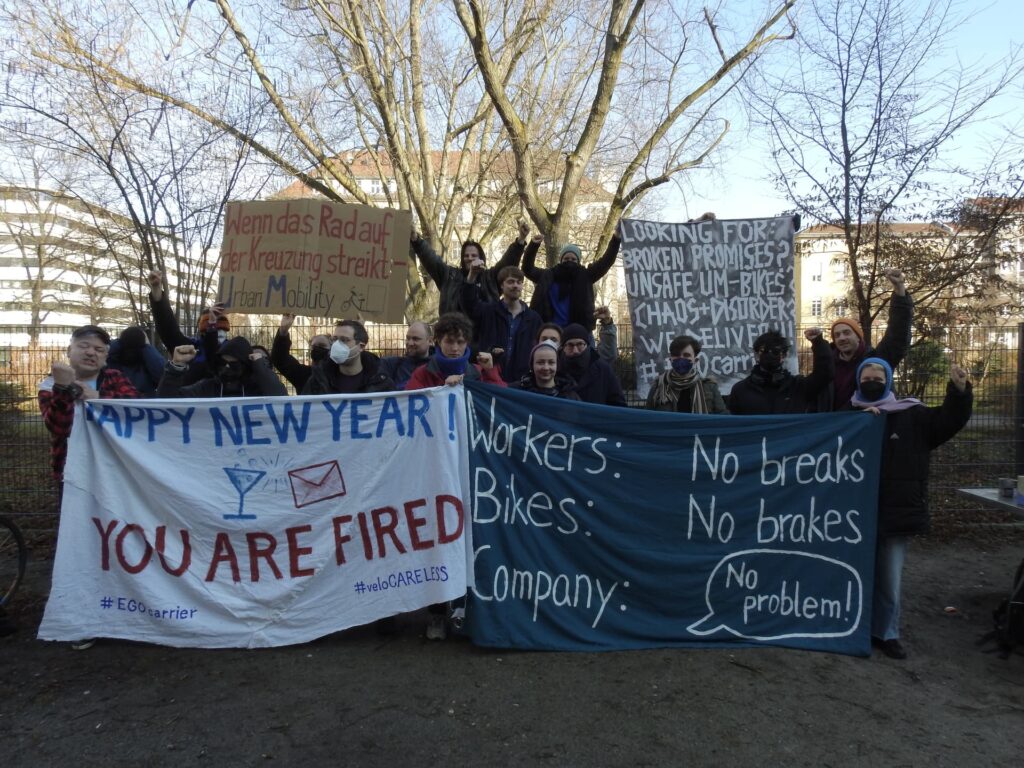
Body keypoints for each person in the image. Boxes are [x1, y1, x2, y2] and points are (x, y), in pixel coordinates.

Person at [850, 357, 972, 659]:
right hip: (853, 513)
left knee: (889, 579)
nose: (872, 380)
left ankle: (886, 632)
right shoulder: (846, 415)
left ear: (889, 380)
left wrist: (958, 392)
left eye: (878, 375)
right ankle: (854, 628)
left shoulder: (913, 415)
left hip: (896, 510)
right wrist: (859, 423)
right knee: (854, 574)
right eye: (866, 376)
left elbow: (948, 421)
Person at [38, 325, 139, 483]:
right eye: (84, 346)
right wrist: (62, 388)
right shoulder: (50, 385)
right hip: (72, 472)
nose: (91, 353)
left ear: (106, 358)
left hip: (117, 468)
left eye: (99, 349)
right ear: (69, 350)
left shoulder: (115, 378)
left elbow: (136, 409)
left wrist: (99, 397)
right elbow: (59, 427)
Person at [828, 268, 913, 410]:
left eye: (847, 332)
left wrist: (899, 290)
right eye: (837, 335)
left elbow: (898, 333)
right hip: (836, 427)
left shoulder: (876, 359)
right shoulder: (828, 366)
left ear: (858, 336)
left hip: (869, 424)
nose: (842, 338)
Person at [409, 220, 529, 317]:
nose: (470, 258)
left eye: (473, 255)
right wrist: (416, 239)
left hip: (483, 339)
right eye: (466, 256)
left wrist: (520, 240)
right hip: (453, 336)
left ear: (481, 257)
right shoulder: (449, 276)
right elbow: (432, 260)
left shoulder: (491, 278)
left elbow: (507, 262)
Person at [521, 227, 621, 331]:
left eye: (573, 259)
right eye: (566, 259)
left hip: (579, 332)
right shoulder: (548, 276)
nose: (570, 261)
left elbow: (606, 262)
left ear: (578, 261)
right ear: (560, 260)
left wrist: (616, 238)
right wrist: (533, 245)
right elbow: (527, 269)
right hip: (551, 332)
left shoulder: (586, 276)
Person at [462, 265, 542, 384]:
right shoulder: (488, 311)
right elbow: (469, 303)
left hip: (521, 383)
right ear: (501, 285)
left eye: (519, 282)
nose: (515, 285)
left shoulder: (534, 318)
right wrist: (472, 276)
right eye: (510, 282)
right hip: (490, 378)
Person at [146, 270, 227, 384]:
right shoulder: (189, 348)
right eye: (213, 328)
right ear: (203, 331)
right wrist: (157, 291)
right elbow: (167, 328)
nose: (220, 333)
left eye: (224, 330)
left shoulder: (233, 351)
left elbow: (212, 353)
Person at [728, 328, 833, 415]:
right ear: (756, 355)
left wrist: (818, 343)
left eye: (775, 352)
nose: (770, 355)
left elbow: (825, 374)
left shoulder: (798, 387)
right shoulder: (740, 390)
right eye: (764, 351)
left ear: (784, 355)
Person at [158, 336, 288, 397]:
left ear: (246, 366)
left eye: (234, 364)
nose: (226, 368)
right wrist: (176, 367)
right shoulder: (207, 388)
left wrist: (259, 366)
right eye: (222, 363)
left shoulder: (257, 389)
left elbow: (280, 397)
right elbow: (167, 401)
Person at [405, 313, 505, 390]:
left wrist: (490, 372)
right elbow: (410, 406)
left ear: (467, 343)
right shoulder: (422, 374)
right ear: (439, 341)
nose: (455, 348)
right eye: (449, 341)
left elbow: (500, 402)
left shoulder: (480, 372)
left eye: (460, 342)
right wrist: (443, 390)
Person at [302, 320, 395, 395]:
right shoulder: (319, 379)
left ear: (361, 346)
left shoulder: (380, 381)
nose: (337, 344)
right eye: (335, 339)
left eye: (344, 340)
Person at [645, 335, 727, 414]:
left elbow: (722, 417)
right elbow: (649, 417)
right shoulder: (658, 386)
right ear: (670, 359)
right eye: (676, 355)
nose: (681, 358)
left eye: (686, 355)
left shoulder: (709, 386)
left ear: (695, 360)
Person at [559, 323, 627, 407]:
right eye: (570, 345)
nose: (575, 350)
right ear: (563, 347)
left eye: (580, 344)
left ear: (587, 345)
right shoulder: (555, 369)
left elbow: (618, 403)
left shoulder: (603, 370)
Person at [271, 313, 332, 392]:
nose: (317, 349)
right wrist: (283, 331)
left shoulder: (339, 373)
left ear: (331, 349)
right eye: (314, 346)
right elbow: (280, 359)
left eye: (322, 345)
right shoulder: (303, 374)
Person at [105, 326, 165, 396]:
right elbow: (161, 376)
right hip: (144, 397)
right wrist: (148, 347)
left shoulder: (111, 354)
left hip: (115, 396)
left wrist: (118, 341)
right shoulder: (148, 355)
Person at [511, 340, 580, 399]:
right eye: (540, 362)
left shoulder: (570, 397)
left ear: (557, 365)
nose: (546, 368)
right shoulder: (517, 391)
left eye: (551, 362)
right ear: (532, 365)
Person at [379, 321, 432, 389]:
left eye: (415, 339)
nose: (410, 343)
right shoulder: (390, 364)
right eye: (408, 338)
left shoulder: (439, 367)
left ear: (430, 341)